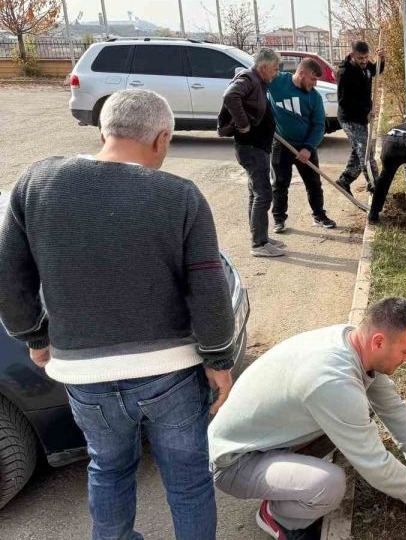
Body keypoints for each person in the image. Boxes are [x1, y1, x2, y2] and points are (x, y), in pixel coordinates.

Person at [0, 89, 236, 540]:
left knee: (108, 468)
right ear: (161, 138)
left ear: (104, 129)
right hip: (170, 375)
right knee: (188, 480)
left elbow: (10, 276)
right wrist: (219, 361)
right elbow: (208, 288)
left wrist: (34, 336)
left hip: (84, 377)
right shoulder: (180, 196)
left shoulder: (37, 183)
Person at [208, 298, 406, 539]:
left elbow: (391, 407)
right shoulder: (333, 380)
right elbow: (375, 466)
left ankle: (288, 478)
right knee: (329, 485)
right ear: (378, 341)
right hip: (234, 461)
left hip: (263, 439)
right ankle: (278, 516)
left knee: (354, 415)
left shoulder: (352, 342)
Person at [219, 47, 286, 257]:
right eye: (274, 69)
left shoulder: (259, 81)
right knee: (263, 194)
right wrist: (244, 124)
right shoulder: (249, 78)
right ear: (263, 67)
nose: (276, 74)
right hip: (251, 147)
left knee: (255, 193)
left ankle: (260, 236)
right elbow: (230, 96)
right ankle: (259, 245)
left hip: (257, 146)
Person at [268, 57, 337, 233]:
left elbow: (319, 125)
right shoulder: (277, 81)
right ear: (301, 73)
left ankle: (319, 215)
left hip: (305, 146)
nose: (314, 84)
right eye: (313, 79)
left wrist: (308, 147)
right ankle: (278, 219)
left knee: (314, 183)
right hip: (281, 143)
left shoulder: (314, 97)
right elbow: (254, 81)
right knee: (280, 183)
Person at [335, 40, 384, 194]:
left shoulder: (366, 66)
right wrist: (366, 111)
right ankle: (376, 187)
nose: (364, 61)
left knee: (359, 151)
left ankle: (344, 181)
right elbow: (344, 101)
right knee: (366, 154)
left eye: (365, 58)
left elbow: (376, 70)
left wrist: (382, 60)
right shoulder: (345, 73)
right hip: (349, 119)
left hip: (362, 118)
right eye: (360, 58)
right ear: (352, 56)